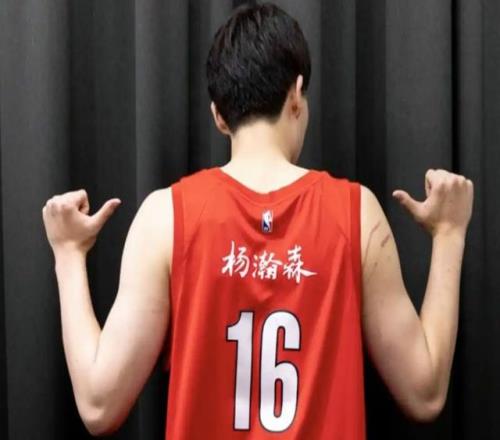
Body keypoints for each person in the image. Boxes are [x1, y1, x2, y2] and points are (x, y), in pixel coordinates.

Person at [42, 2, 474, 438]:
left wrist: (68, 253)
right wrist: (450, 232)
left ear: (218, 115)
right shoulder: (356, 214)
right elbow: (425, 394)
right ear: (297, 93)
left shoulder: (164, 218)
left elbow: (99, 405)